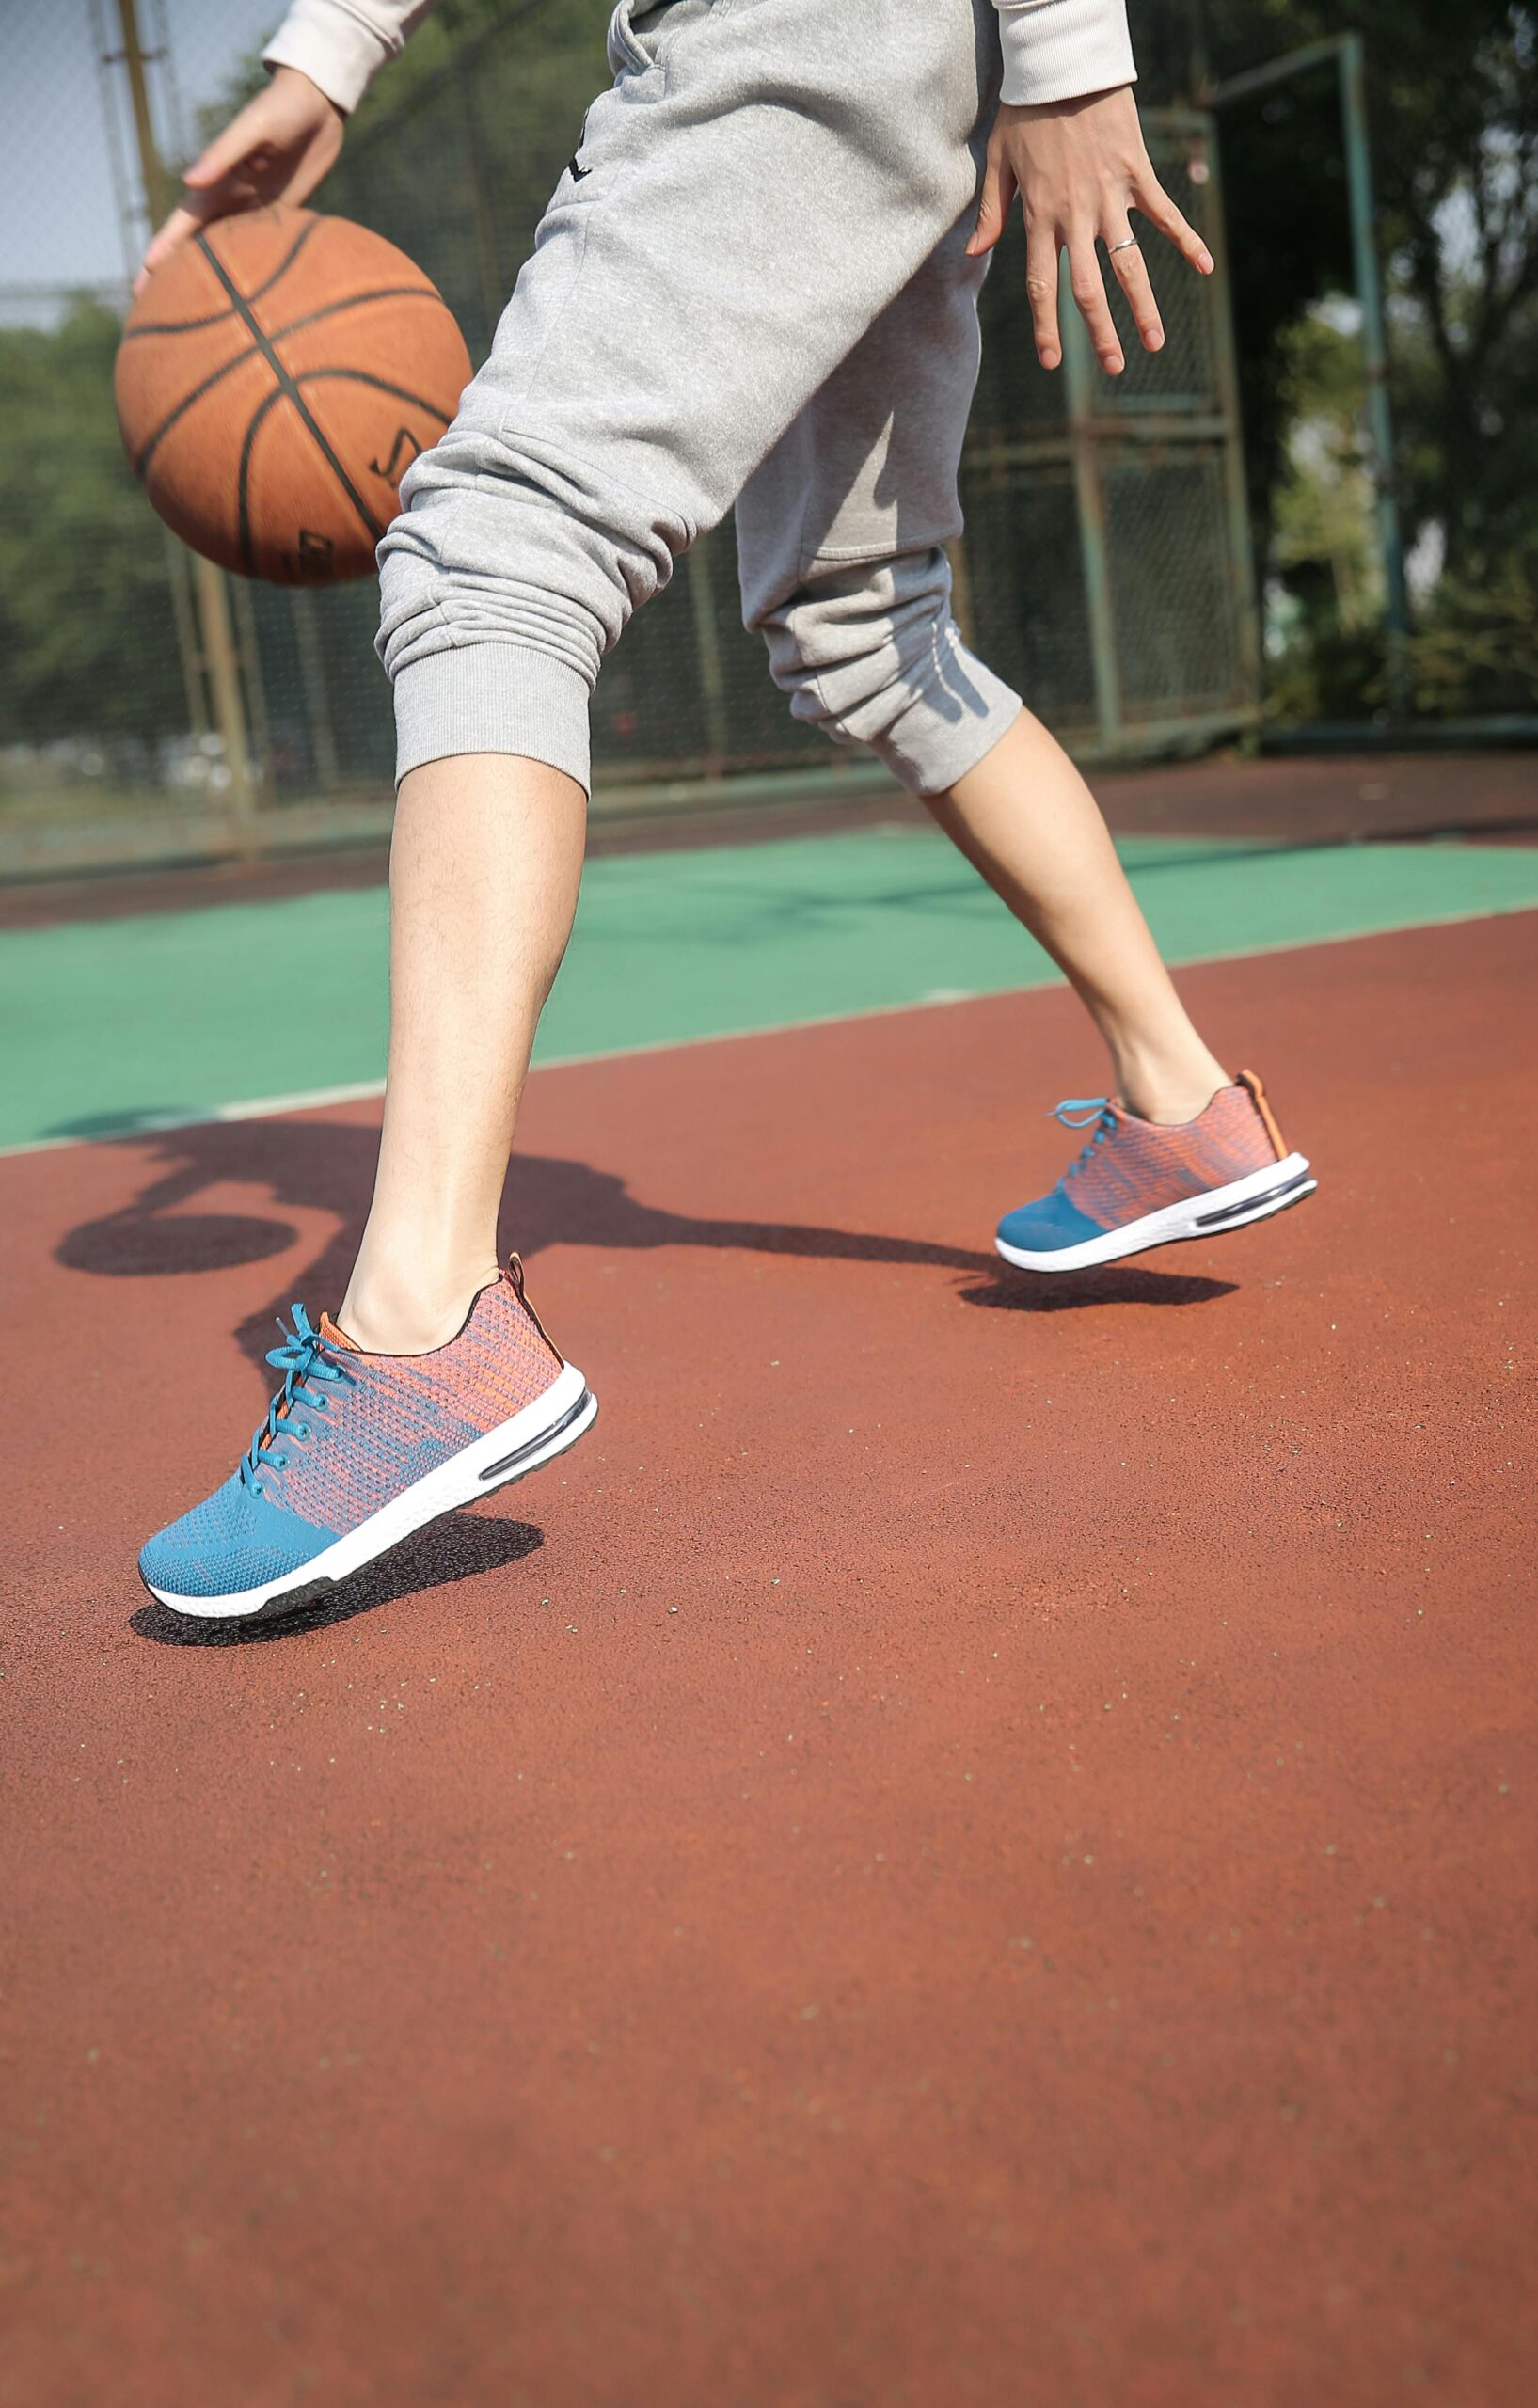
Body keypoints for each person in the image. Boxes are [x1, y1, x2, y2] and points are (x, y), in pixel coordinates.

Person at [136, 0, 1314, 1623]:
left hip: (800, 29)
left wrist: (1071, 58)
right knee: (866, 626)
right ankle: (1181, 1101)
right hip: (922, 59)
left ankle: (421, 1330)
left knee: (498, 544)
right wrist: (332, 55)